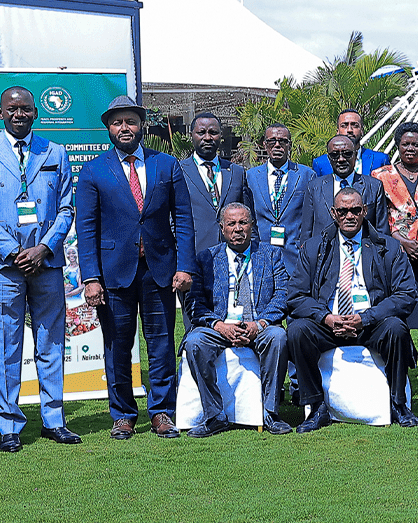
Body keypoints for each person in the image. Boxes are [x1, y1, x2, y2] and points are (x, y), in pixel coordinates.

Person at [0, 86, 80, 451]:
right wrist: (15, 251)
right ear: (0, 113)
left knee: (50, 342)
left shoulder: (55, 152)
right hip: (2, 266)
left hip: (46, 263)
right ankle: (9, 424)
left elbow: (66, 209)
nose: (19, 114)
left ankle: (54, 420)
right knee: (5, 345)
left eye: (26, 108)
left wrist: (43, 248)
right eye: (12, 109)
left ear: (35, 113)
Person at [76, 95, 197, 440]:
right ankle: (123, 415)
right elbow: (86, 228)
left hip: (160, 271)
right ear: (108, 129)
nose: (124, 128)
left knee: (161, 344)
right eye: (117, 122)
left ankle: (162, 413)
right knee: (117, 346)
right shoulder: (93, 170)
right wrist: (91, 277)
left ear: (142, 125)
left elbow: (184, 219)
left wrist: (185, 266)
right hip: (114, 273)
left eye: (130, 121)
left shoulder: (166, 165)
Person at [287, 188, 418, 431]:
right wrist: (326, 318)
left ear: (365, 211)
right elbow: (296, 296)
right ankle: (316, 406)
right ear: (333, 213)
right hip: (330, 323)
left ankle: (398, 404)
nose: (349, 216)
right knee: (297, 330)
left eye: (355, 210)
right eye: (343, 211)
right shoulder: (314, 247)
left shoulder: (387, 246)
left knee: (396, 328)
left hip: (371, 323)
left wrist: (366, 318)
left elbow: (407, 294)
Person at [181, 204, 294, 437]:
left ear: (252, 225)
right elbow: (195, 302)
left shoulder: (271, 254)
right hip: (220, 326)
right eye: (231, 224)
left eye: (243, 222)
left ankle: (270, 413)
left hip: (259, 324)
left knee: (278, 336)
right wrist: (219, 325)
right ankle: (214, 415)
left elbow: (283, 294)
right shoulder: (206, 258)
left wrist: (259, 324)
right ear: (222, 228)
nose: (238, 229)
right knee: (194, 342)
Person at [370, 122, 418, 402]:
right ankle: (402, 374)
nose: (410, 148)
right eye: (405, 144)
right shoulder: (381, 175)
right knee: (398, 315)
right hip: (395, 255)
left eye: (416, 144)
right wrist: (402, 242)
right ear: (398, 145)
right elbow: (378, 217)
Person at [179, 113, 249, 253]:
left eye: (213, 132)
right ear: (191, 135)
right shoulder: (179, 171)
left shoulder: (237, 172)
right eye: (201, 132)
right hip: (195, 253)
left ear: (220, 135)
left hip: (233, 254)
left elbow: (248, 215)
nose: (207, 137)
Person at [300, 134, 389, 244]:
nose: (341, 159)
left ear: (355, 155)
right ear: (328, 158)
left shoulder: (374, 186)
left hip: (363, 251)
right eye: (335, 155)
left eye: (347, 154)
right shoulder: (314, 187)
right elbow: (306, 232)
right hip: (323, 252)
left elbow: (382, 231)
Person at [244, 124, 316, 252]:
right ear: (265, 145)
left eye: (283, 141)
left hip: (294, 253)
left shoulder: (307, 175)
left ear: (290, 145)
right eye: (272, 141)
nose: (277, 145)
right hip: (260, 252)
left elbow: (312, 218)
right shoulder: (250, 177)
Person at [308, 109, 390, 176]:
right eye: (344, 125)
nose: (350, 130)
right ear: (338, 131)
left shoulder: (380, 160)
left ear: (362, 131)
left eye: (355, 125)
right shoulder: (321, 163)